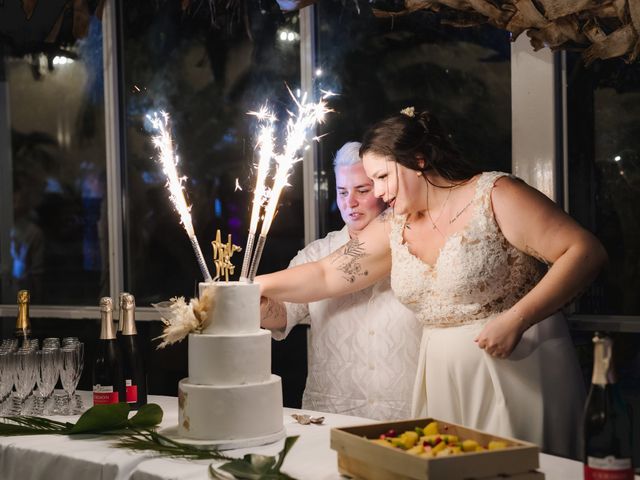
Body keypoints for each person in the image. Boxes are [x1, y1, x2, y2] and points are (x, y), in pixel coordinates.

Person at [258, 109, 608, 458]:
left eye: (381, 177)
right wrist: (249, 286)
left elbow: (584, 252)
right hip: (442, 377)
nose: (379, 193)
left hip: (518, 367)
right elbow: (325, 273)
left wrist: (517, 318)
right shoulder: (396, 224)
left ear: (419, 160)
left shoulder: (494, 194)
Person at [261, 141, 421, 420]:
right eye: (342, 192)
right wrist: (257, 305)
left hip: (404, 409)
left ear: (383, 190)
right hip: (333, 411)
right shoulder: (317, 253)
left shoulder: (414, 243)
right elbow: (284, 314)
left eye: (362, 190)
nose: (350, 203)